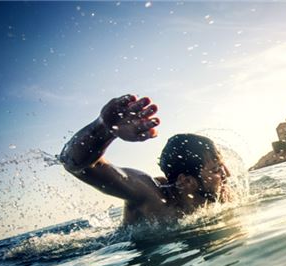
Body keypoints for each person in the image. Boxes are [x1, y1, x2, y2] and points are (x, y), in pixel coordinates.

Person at [60, 94, 231, 225]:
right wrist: (104, 129)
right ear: (186, 181)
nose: (227, 175)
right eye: (217, 169)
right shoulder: (151, 196)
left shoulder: (219, 197)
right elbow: (76, 165)